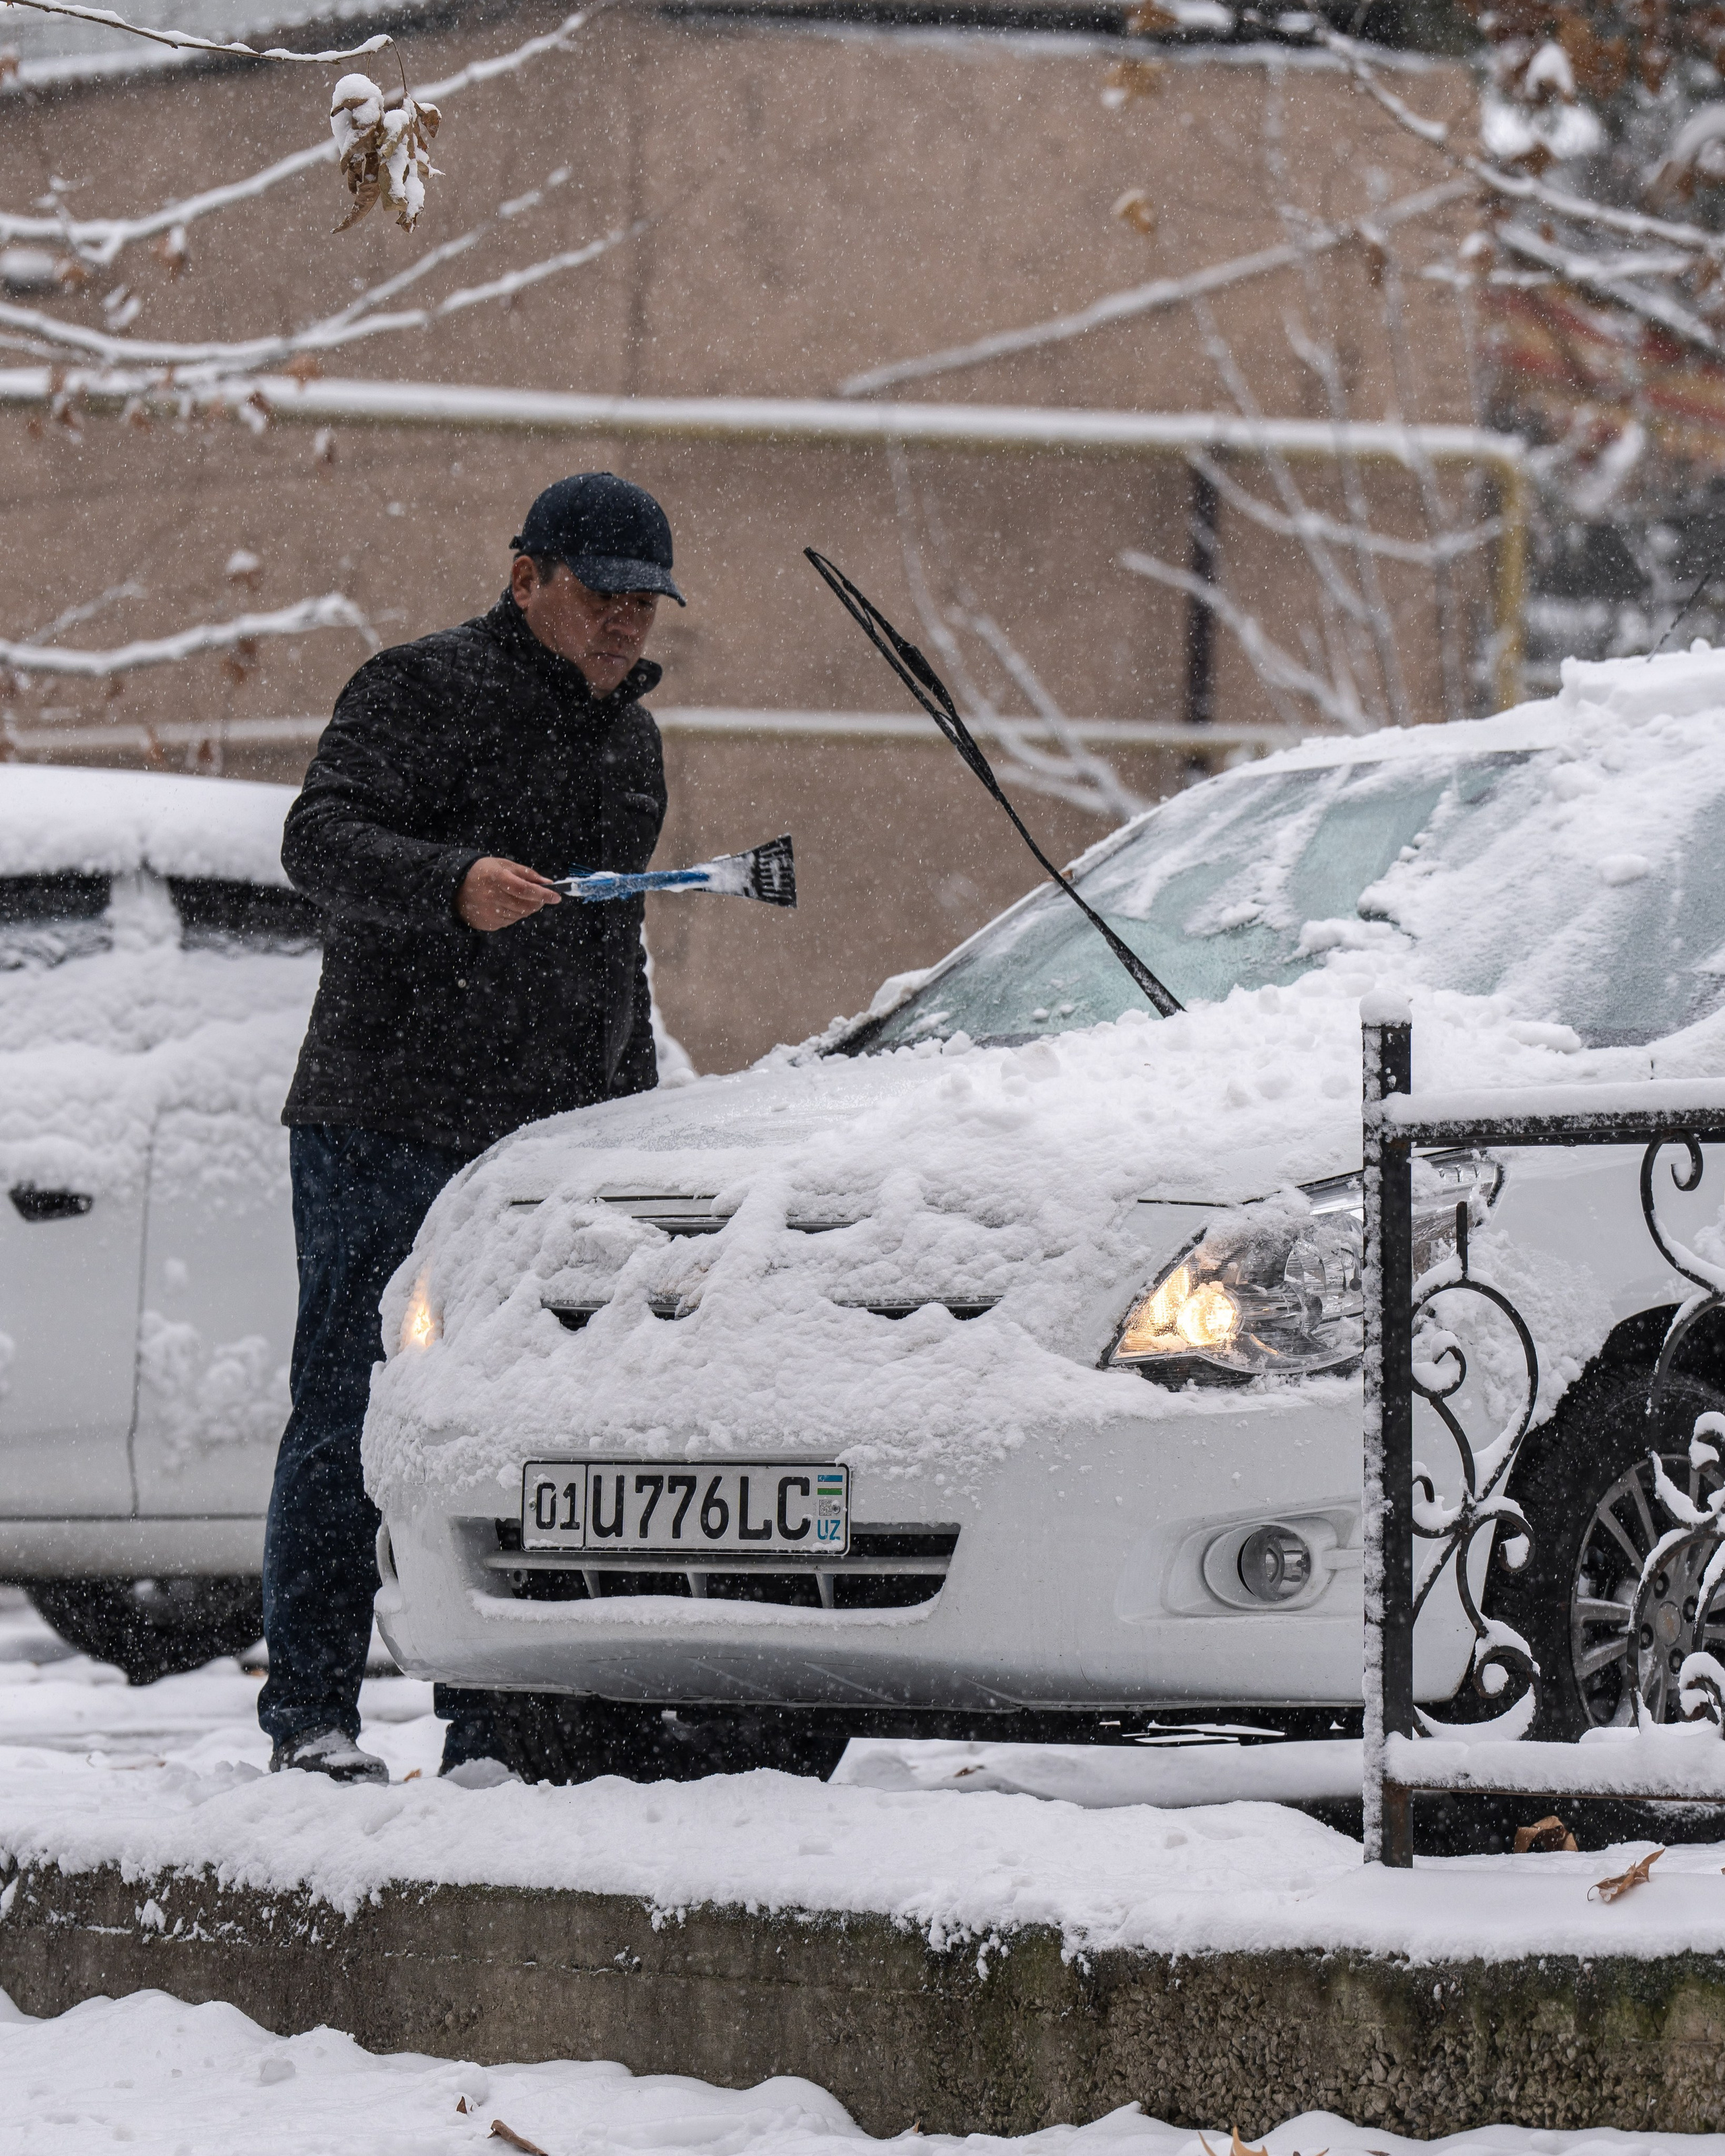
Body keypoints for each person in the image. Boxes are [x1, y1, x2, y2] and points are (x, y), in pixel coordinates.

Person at [258, 472, 681, 1783]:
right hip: (383, 1116)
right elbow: (315, 840)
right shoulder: (417, 688)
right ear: (524, 579)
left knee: (516, 1429)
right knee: (351, 1411)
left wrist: (635, 1119)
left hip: (542, 1148)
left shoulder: (631, 743)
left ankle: (492, 1723)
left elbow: (616, 939)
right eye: (599, 593)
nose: (623, 622)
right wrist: (450, 885)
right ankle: (313, 1716)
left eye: (643, 601)